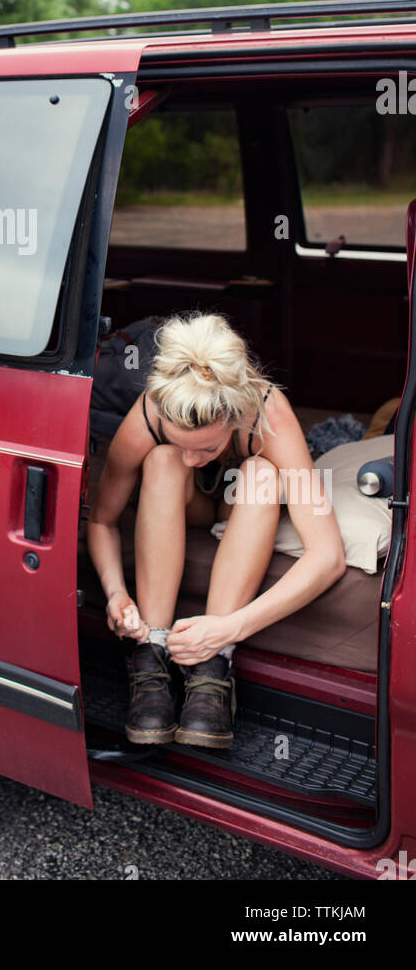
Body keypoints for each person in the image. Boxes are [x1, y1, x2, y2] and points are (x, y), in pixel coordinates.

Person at [86, 311, 347, 748]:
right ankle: (150, 652)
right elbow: (102, 519)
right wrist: (115, 594)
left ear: (234, 414)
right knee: (162, 462)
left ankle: (212, 666)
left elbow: (328, 557)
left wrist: (231, 628)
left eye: (205, 447)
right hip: (190, 503)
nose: (193, 457)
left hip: (238, 502)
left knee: (263, 474)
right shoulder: (150, 413)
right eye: (181, 442)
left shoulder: (269, 414)